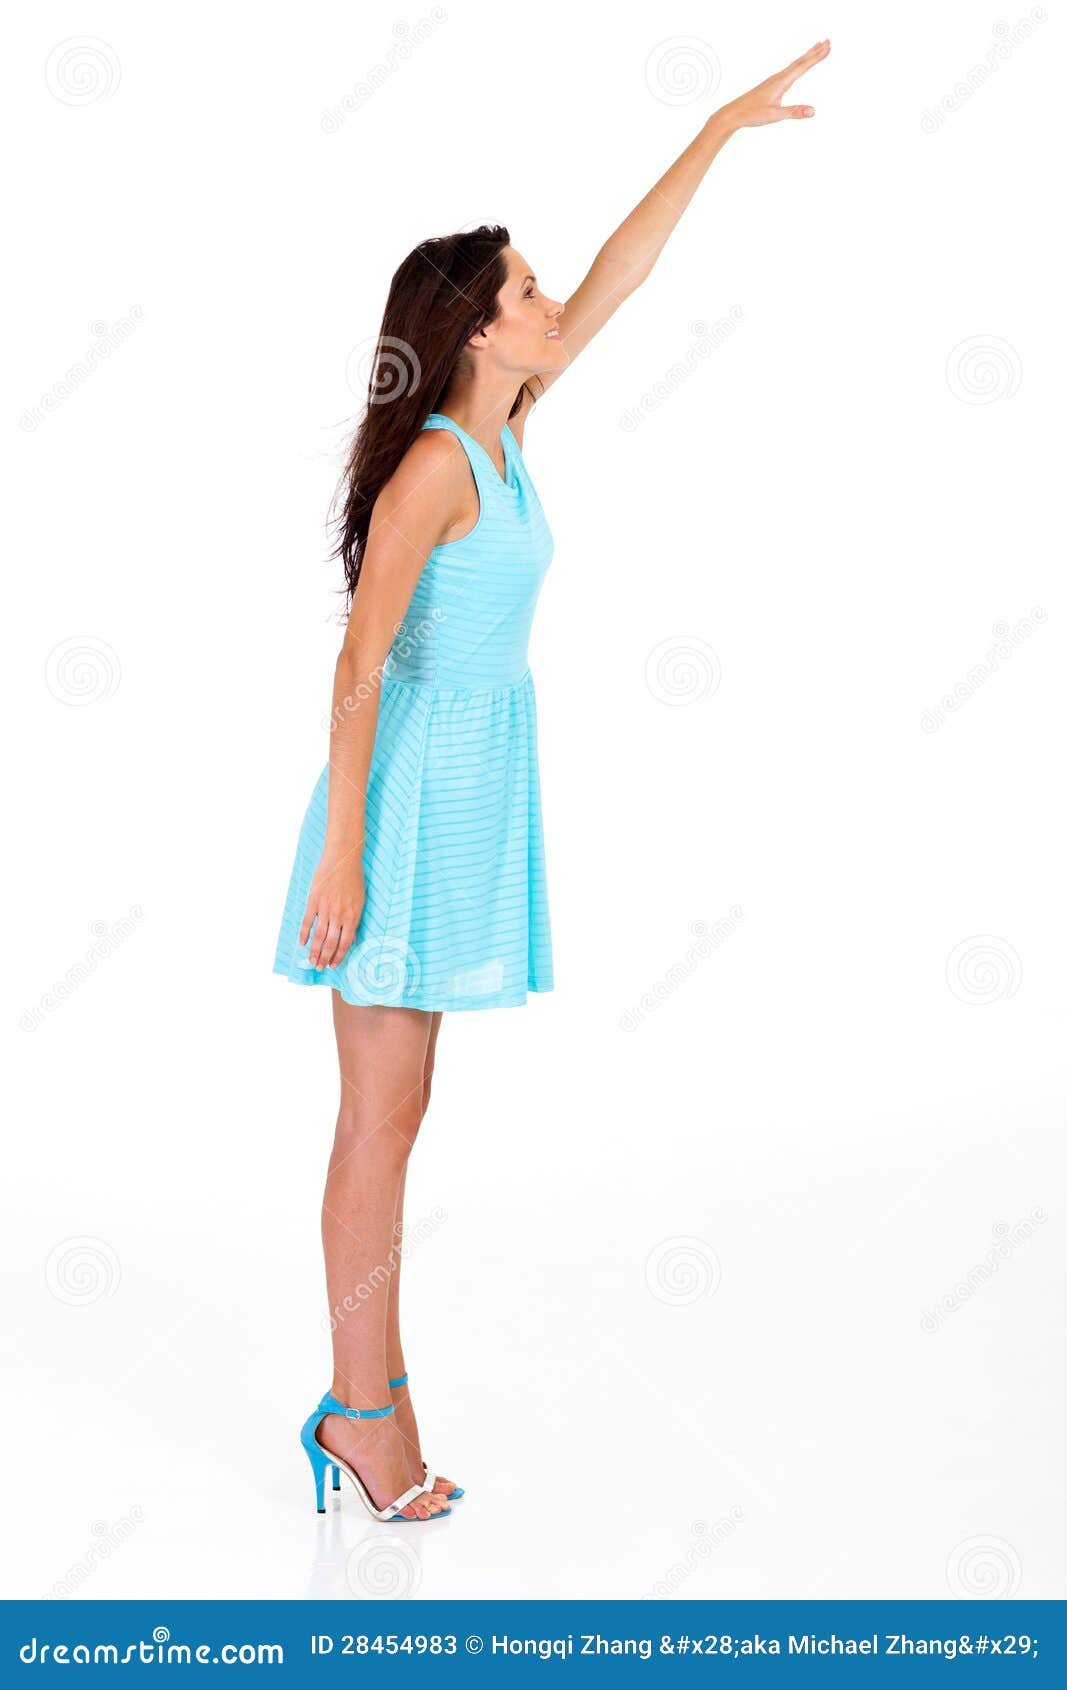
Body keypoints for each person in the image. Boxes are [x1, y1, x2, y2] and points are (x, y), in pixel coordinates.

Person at [275, 39, 831, 1522]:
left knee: (403, 1112)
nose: (549, 302)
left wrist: (716, 130)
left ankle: (371, 1397)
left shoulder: (506, 427)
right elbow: (358, 663)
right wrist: (346, 853)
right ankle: (361, 1415)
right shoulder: (437, 468)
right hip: (400, 803)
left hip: (465, 792)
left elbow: (623, 277)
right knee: (377, 1118)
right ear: (477, 331)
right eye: (525, 290)